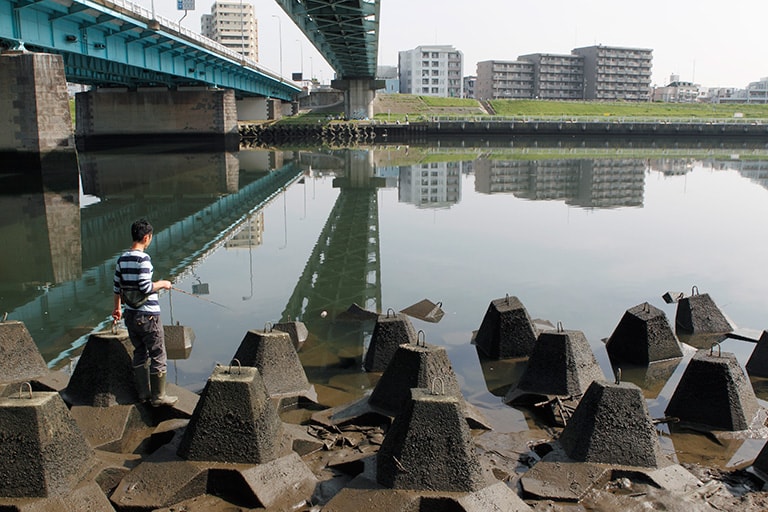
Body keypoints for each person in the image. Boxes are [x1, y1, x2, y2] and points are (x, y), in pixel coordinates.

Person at [112, 218, 177, 407]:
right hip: (148, 315)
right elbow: (145, 287)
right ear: (147, 237)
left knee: (139, 352)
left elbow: (117, 288)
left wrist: (116, 309)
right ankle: (158, 397)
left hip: (130, 315)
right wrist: (163, 283)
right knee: (158, 353)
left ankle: (143, 394)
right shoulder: (144, 259)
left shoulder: (122, 259)